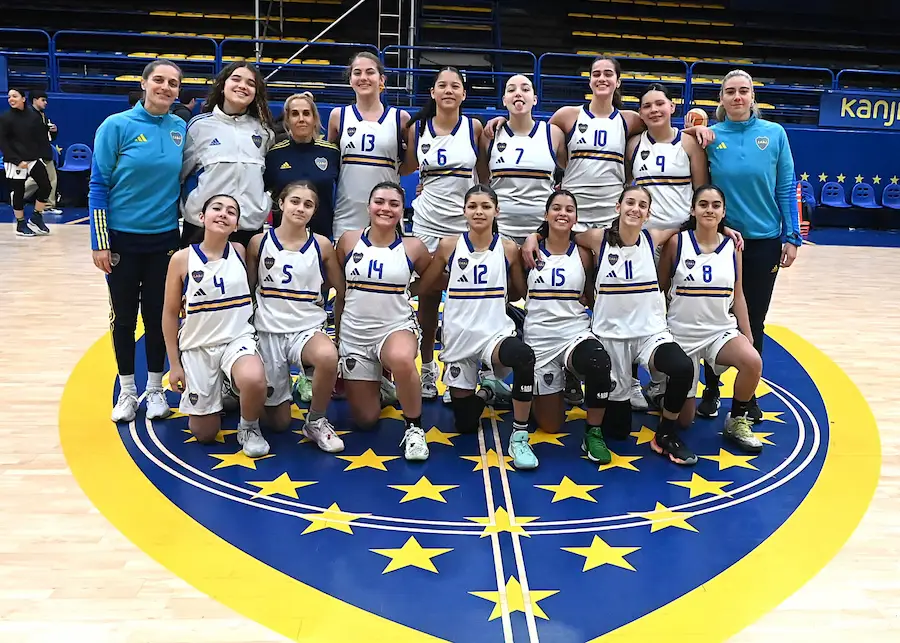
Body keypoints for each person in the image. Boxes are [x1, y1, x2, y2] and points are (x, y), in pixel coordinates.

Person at [523, 186, 742, 465]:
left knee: (682, 367)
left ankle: (665, 434)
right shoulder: (598, 238)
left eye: (642, 205)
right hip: (611, 338)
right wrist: (534, 236)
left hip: (650, 335)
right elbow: (562, 231)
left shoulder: (654, 237)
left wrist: (722, 229)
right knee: (617, 431)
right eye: (630, 202)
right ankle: (566, 396)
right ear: (618, 207)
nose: (635, 209)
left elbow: (692, 224)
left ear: (648, 213)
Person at [87, 59, 186, 422]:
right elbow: (98, 185)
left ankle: (155, 389)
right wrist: (100, 241)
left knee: (160, 316)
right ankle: (128, 391)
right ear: (144, 84)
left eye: (173, 83)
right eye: (159, 80)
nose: (165, 87)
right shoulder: (116, 126)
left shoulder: (180, 128)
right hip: (122, 241)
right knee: (124, 318)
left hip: (164, 240)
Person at [700, 69, 801, 423]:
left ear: (753, 96)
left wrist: (792, 237)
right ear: (721, 99)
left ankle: (748, 395)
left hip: (763, 242)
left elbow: (785, 186)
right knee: (714, 317)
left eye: (744, 91)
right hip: (719, 242)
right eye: (730, 91)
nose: (737, 97)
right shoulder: (711, 136)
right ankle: (711, 389)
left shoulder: (774, 134)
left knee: (753, 320)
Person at [420, 185, 538, 469]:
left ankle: (519, 435)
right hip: (459, 338)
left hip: (493, 334)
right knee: (465, 424)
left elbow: (518, 292)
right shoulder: (448, 246)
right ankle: (488, 390)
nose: (479, 212)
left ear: (497, 211)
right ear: (464, 211)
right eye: (472, 206)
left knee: (523, 356)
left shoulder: (508, 248)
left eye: (485, 206)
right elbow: (427, 285)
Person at [162, 194, 270, 457]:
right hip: (198, 345)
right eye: (217, 208)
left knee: (254, 379)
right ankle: (222, 387)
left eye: (231, 212)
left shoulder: (239, 251)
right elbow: (169, 313)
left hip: (236, 339)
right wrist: (174, 365)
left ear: (236, 225)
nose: (223, 214)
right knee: (205, 434)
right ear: (202, 217)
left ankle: (249, 427)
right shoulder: (182, 259)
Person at [658, 185, 763, 453]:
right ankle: (660, 389)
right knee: (685, 421)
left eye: (716, 205)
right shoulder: (677, 243)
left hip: (719, 331)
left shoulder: (732, 247)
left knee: (752, 361)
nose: (709, 210)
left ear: (723, 212)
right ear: (693, 210)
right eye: (703, 204)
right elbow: (659, 288)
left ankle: (736, 420)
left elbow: (738, 293)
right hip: (681, 334)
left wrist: (748, 335)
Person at [335, 182, 432, 460]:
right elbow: (341, 293)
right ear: (368, 206)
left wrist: (409, 292)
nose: (385, 208)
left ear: (402, 210)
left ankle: (414, 428)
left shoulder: (413, 247)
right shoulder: (348, 241)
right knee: (366, 420)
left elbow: (433, 279)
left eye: (393, 204)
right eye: (379, 201)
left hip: (395, 327)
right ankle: (385, 386)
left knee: (401, 358)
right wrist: (339, 338)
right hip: (355, 334)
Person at [246, 181, 344, 453]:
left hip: (306, 329)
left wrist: (341, 333)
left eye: (308, 204)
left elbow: (342, 289)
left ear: (314, 211)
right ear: (281, 203)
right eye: (295, 201)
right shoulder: (258, 243)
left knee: (327, 356)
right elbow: (248, 291)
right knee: (278, 424)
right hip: (268, 331)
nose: (301, 208)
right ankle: (247, 389)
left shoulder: (322, 245)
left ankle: (316, 421)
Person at [403, 66, 482, 400]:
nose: (449, 90)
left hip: (463, 225)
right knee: (428, 299)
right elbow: (406, 167)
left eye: (455, 86)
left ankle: (460, 372)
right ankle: (426, 368)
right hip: (426, 223)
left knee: (463, 303)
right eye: (442, 85)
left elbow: (484, 176)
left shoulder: (474, 127)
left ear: (464, 93)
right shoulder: (417, 128)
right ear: (432, 92)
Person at [524, 190, 614, 448]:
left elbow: (590, 296)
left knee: (598, 361)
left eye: (569, 210)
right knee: (551, 425)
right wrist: (532, 236)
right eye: (556, 208)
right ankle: (537, 386)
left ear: (575, 218)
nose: (562, 213)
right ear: (546, 214)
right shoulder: (528, 252)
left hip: (574, 333)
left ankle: (593, 433)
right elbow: (517, 292)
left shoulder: (583, 254)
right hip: (540, 338)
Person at [181, 61, 276, 248]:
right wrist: (194, 203)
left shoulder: (264, 132)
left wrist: (262, 205)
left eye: (250, 83)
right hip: (202, 226)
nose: (243, 86)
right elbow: (182, 174)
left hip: (248, 226)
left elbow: (266, 177)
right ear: (223, 85)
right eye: (236, 79)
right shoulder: (199, 126)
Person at [328, 52, 411, 240]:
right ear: (350, 80)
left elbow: (410, 165)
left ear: (382, 80)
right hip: (347, 213)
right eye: (357, 73)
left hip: (386, 214)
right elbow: (330, 165)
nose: (363, 77)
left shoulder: (400, 118)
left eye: (370, 72)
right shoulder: (338, 116)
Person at [477, 74, 566, 244]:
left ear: (535, 99)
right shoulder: (489, 136)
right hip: (500, 231)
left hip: (543, 232)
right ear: (504, 100)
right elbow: (483, 181)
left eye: (525, 89)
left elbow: (572, 172)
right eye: (511, 90)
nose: (518, 93)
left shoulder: (553, 134)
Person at [626, 83, 709, 231]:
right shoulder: (633, 145)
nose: (654, 110)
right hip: (644, 232)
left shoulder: (690, 144)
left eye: (660, 103)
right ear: (640, 113)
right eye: (647, 106)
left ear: (672, 107)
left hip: (682, 232)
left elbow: (702, 193)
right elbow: (625, 185)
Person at [264, 93, 340, 237]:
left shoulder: (332, 153)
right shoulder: (274, 154)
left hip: (321, 236)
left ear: (314, 118)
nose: (301, 119)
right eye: (294, 114)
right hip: (282, 238)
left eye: (306, 113)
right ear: (287, 120)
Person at [0, 88, 52, 236]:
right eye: (9, 97)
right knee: (19, 192)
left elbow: (41, 137)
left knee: (46, 186)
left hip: (33, 159)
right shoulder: (5, 118)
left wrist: (42, 153)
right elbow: (3, 142)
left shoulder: (33, 116)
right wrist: (17, 161)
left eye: (14, 96)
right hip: (15, 161)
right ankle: (20, 224)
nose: (11, 99)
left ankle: (36, 217)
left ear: (23, 98)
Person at [23, 90, 61, 214]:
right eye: (43, 100)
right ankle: (18, 195)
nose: (45, 103)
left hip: (45, 151)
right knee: (41, 179)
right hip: (36, 153)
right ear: (35, 100)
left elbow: (47, 137)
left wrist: (53, 131)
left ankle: (48, 205)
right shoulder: (29, 115)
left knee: (49, 179)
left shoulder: (43, 115)